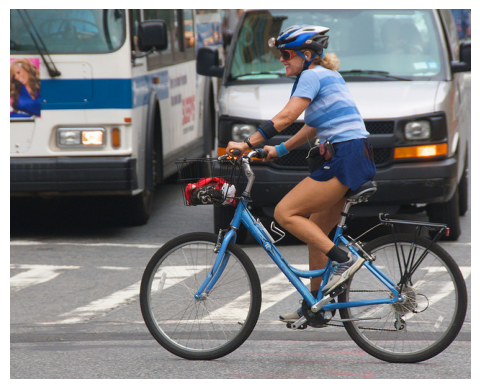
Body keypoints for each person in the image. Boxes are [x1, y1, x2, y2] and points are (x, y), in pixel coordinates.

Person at [226, 24, 376, 323]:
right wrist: (278, 150)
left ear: (306, 55)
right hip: (354, 153)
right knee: (316, 233)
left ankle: (345, 260)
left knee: (285, 213)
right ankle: (316, 307)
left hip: (344, 157)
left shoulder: (310, 75)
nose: (282, 60)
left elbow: (286, 117)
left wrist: (247, 144)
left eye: (286, 54)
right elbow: (313, 125)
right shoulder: (327, 75)